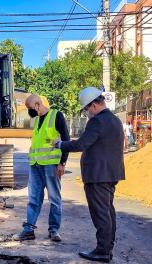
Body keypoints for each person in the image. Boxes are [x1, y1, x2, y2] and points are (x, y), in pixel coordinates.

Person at [55, 87, 125, 263]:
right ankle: (107, 248)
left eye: (86, 109)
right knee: (108, 211)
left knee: (101, 213)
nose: (86, 113)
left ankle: (102, 251)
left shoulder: (97, 121)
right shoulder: (115, 120)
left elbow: (81, 144)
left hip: (97, 175)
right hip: (110, 173)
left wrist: (60, 144)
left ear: (94, 105)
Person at [12, 94, 70, 242]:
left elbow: (66, 140)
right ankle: (29, 229)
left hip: (51, 165)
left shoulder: (56, 116)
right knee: (33, 199)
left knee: (54, 198)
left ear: (38, 105)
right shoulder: (37, 120)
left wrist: (62, 163)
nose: (29, 112)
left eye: (30, 108)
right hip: (35, 165)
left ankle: (54, 230)